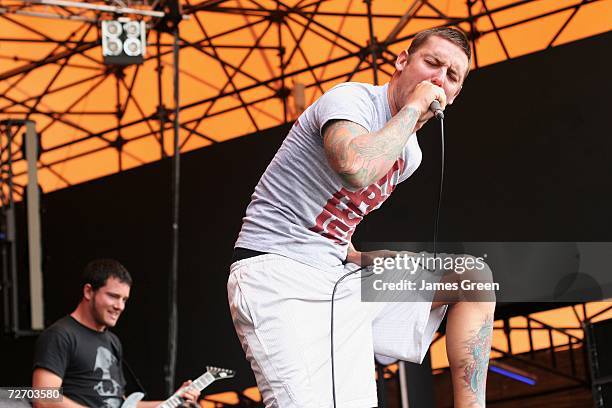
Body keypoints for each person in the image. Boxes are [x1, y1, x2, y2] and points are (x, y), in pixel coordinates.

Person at [228, 27, 496, 408]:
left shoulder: (411, 154)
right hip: (277, 273)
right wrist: (414, 108)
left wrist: (360, 257)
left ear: (454, 96)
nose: (439, 79)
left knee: (472, 277)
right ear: (402, 62)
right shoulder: (352, 100)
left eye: (452, 77)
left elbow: (336, 212)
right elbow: (353, 167)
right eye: (432, 63)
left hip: (336, 278)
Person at [32, 259, 200, 408]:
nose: (120, 306)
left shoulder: (112, 341)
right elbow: (44, 399)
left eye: (124, 300)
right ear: (88, 292)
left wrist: (172, 401)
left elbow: (122, 403)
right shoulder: (60, 335)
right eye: (113, 296)